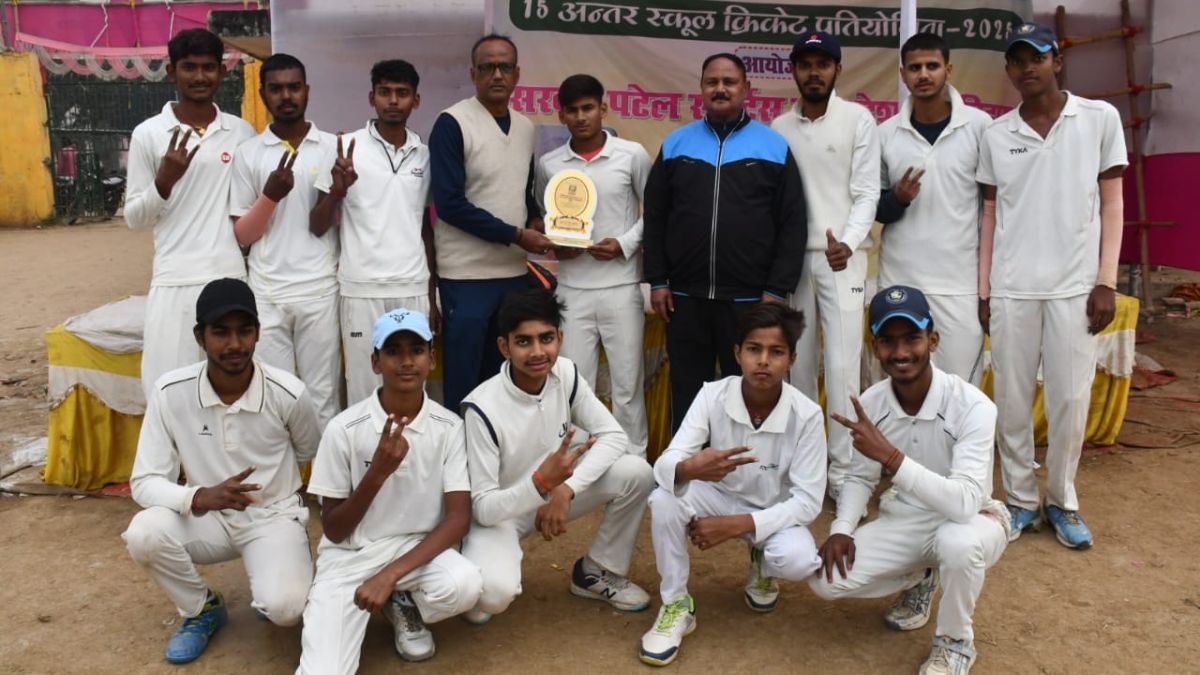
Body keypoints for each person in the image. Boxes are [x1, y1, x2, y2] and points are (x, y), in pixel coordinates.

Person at [977, 23, 1127, 549]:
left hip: (1075, 289)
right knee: (1012, 401)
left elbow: (1112, 202)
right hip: (1012, 288)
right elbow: (990, 213)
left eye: (1037, 58)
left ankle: (1062, 500)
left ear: (1056, 61)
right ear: (1009, 71)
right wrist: (985, 290)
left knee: (1070, 399)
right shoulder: (997, 134)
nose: (1028, 68)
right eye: (1017, 61)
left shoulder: (1099, 118)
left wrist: (1106, 280)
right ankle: (1020, 500)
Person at [810, 285, 1010, 675]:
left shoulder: (973, 405)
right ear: (875, 348)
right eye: (888, 341)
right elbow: (860, 478)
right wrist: (842, 529)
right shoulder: (871, 403)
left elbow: (964, 503)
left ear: (933, 340)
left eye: (912, 338)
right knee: (825, 580)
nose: (901, 352)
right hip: (908, 519)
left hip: (975, 520)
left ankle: (955, 643)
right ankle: (922, 575)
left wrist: (892, 458)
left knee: (957, 543)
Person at [121, 278, 321, 664]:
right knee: (144, 534)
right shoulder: (170, 392)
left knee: (285, 610)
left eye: (244, 330)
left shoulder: (288, 392)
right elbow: (144, 481)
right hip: (207, 518)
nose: (234, 344)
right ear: (200, 336)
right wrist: (198, 496)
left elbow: (308, 449)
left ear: (258, 333)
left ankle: (280, 570)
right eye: (221, 332)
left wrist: (274, 488)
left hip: (272, 515)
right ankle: (202, 608)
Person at [639, 303, 826, 667]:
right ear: (737, 353)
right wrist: (689, 467)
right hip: (718, 496)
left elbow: (807, 502)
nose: (763, 361)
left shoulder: (807, 415)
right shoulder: (713, 395)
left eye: (776, 352)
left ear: (791, 359)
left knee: (798, 560)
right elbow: (666, 462)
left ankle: (763, 563)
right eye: (754, 349)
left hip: (773, 509)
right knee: (664, 499)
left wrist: (736, 525)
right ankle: (676, 604)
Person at [297, 309, 482, 673]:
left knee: (465, 585)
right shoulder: (344, 428)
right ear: (375, 362)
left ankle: (401, 601)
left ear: (431, 359)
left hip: (415, 551)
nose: (406, 361)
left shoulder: (449, 426)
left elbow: (458, 519)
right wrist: (377, 473)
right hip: (350, 557)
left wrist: (390, 575)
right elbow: (334, 529)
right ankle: (366, 603)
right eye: (393, 351)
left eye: (417, 349)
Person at [460, 289, 654, 624]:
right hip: (502, 514)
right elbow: (483, 507)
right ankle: (474, 565)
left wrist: (566, 489)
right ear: (504, 347)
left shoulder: (565, 373)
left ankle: (595, 571)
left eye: (546, 338)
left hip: (552, 493)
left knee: (637, 472)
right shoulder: (481, 408)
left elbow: (614, 436)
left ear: (560, 338)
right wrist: (539, 485)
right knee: (491, 598)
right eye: (524, 342)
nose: (538, 352)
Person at [643, 53, 808, 432]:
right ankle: (687, 464)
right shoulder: (676, 144)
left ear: (746, 89)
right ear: (701, 88)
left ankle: (746, 462)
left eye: (729, 82)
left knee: (748, 395)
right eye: (712, 82)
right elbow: (656, 216)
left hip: (750, 302)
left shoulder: (773, 147)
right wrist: (658, 280)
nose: (720, 89)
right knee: (688, 395)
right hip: (684, 298)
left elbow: (793, 222)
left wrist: (777, 289)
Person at [771, 31, 881, 503]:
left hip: (842, 262)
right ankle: (805, 469)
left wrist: (850, 244)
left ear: (838, 69)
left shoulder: (858, 120)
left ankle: (844, 475)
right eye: (805, 64)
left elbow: (867, 193)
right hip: (795, 261)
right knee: (797, 369)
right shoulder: (779, 127)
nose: (813, 72)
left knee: (841, 369)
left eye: (823, 63)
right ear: (794, 71)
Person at [124, 28, 255, 398]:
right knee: (169, 391)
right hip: (174, 280)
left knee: (232, 388)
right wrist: (164, 182)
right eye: (189, 67)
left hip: (229, 275)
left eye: (208, 67)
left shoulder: (241, 133)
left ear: (222, 72)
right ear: (172, 72)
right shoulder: (149, 134)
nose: (200, 76)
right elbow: (134, 219)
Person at [430, 34, 557, 412]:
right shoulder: (452, 123)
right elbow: (449, 204)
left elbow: (523, 192)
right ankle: (461, 450)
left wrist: (535, 219)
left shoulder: (526, 127)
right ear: (473, 73)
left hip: (514, 276)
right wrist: (516, 235)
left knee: (505, 381)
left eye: (505, 67)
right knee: (465, 383)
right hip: (466, 277)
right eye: (487, 67)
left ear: (517, 74)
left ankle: (500, 447)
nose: (497, 75)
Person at [535, 74, 653, 457]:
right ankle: (580, 463)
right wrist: (558, 246)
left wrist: (624, 244)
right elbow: (546, 217)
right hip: (572, 289)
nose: (581, 116)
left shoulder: (632, 155)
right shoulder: (550, 164)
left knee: (627, 385)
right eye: (572, 110)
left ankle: (634, 462)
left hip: (621, 287)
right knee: (575, 385)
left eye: (588, 108)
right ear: (561, 115)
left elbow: (656, 211)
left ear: (603, 109)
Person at [310, 59, 438, 406]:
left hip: (412, 286)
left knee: (413, 388)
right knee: (364, 391)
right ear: (371, 97)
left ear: (416, 100)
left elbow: (425, 228)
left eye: (402, 93)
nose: (393, 101)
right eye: (385, 92)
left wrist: (432, 292)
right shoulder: (344, 148)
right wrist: (337, 192)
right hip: (361, 288)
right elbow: (317, 225)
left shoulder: (425, 155)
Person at [230, 53, 340, 428]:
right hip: (268, 293)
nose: (286, 96)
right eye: (276, 89)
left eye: (294, 87)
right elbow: (243, 235)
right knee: (277, 397)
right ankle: (284, 469)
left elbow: (329, 222)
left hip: (319, 289)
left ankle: (324, 470)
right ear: (263, 94)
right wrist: (270, 197)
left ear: (307, 91)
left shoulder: (332, 147)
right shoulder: (248, 153)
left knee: (322, 397)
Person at [875, 33, 991, 385]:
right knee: (903, 384)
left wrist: (987, 288)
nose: (923, 74)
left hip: (959, 283)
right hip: (901, 278)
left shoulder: (980, 127)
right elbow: (873, 208)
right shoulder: (885, 133)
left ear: (948, 69)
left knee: (960, 388)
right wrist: (898, 198)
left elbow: (994, 207)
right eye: (914, 68)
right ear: (903, 74)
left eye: (932, 66)